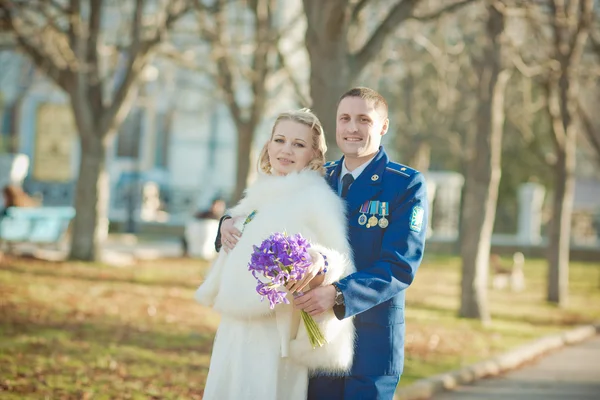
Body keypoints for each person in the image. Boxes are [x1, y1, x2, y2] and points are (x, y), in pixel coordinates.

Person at [219, 87, 428, 399]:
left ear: (383, 126)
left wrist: (339, 293)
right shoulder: (317, 176)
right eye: (344, 118)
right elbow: (263, 208)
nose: (352, 128)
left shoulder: (404, 184)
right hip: (315, 335)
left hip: (371, 335)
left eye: (364, 120)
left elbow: (399, 265)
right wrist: (226, 223)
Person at [195, 109, 356, 400]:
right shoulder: (259, 192)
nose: (286, 150)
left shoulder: (317, 197)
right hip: (235, 324)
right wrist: (229, 222)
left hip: (274, 327)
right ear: (268, 145)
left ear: (314, 154)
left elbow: (338, 259)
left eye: (298, 144)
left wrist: (318, 260)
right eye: (280, 140)